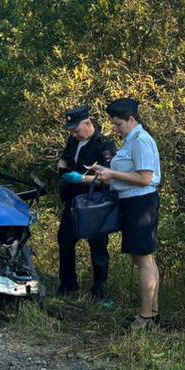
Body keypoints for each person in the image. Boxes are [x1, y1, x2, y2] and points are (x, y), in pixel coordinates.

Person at [88, 97, 162, 331]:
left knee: (144, 259)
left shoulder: (141, 141)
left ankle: (145, 316)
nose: (117, 130)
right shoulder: (132, 140)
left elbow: (145, 178)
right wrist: (106, 173)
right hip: (132, 203)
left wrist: (111, 174)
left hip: (141, 205)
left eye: (119, 124)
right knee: (145, 259)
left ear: (132, 119)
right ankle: (152, 312)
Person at [55, 106, 117, 298]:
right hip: (73, 200)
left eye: (76, 129)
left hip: (94, 201)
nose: (74, 133)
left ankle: (99, 291)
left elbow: (109, 177)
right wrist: (63, 170)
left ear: (88, 123)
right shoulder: (73, 141)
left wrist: (82, 179)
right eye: (71, 130)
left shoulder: (103, 145)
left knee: (97, 247)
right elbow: (64, 160)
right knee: (65, 240)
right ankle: (68, 285)